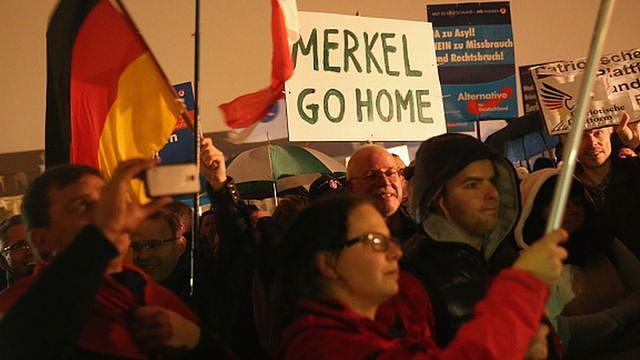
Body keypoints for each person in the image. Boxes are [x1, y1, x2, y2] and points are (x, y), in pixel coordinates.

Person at [273, 194, 567, 359]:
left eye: (392, 241)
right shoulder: (322, 348)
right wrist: (522, 286)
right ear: (328, 263)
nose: (396, 254)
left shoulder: (391, 330)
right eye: (376, 241)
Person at [0, 160, 229, 359]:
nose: (110, 213)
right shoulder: (20, 306)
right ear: (42, 240)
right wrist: (101, 238)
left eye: (106, 202)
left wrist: (195, 341)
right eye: (83, 206)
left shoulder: (144, 290)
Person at [402, 133, 558, 351]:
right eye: (472, 185)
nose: (493, 193)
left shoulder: (506, 258)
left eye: (493, 181)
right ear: (438, 197)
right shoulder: (411, 279)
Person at [515, 168, 640, 357]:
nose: (573, 211)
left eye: (576, 202)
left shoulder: (605, 244)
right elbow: (559, 334)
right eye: (561, 204)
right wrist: (624, 312)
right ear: (537, 209)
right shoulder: (529, 264)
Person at [574, 112, 640, 258]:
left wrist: (637, 144)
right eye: (582, 135)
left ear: (610, 133)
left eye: (598, 133)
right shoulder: (566, 192)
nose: (592, 143)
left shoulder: (634, 170)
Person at [347, 144, 416, 244]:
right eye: (372, 176)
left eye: (390, 173)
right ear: (351, 187)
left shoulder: (423, 230)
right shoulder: (343, 238)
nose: (385, 182)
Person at [130, 208, 189, 300]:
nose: (143, 255)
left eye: (154, 245)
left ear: (180, 248)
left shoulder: (200, 289)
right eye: (136, 246)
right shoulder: (128, 292)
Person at [0, 215, 34, 288]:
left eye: (35, 242)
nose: (32, 252)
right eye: (20, 246)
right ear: (2, 261)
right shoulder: (7, 298)